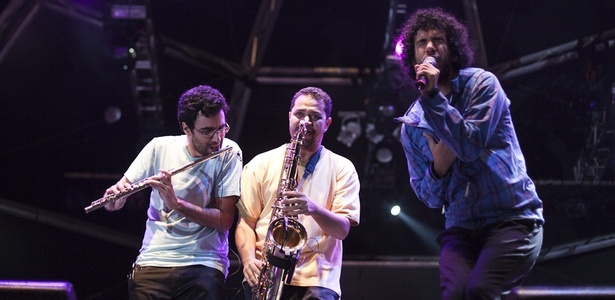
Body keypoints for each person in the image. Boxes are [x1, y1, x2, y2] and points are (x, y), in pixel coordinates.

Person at [394, 7, 544, 300]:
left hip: (512, 219)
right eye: (421, 42)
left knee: (480, 291)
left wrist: (434, 98)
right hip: (462, 228)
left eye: (438, 39)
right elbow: (428, 196)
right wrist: (438, 169)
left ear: (452, 48)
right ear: (412, 57)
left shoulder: (482, 85)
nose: (429, 47)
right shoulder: (412, 124)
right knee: (455, 294)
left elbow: (470, 145)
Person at [103, 84, 243, 300]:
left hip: (204, 262)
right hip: (154, 260)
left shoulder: (229, 152)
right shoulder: (159, 147)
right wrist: (115, 200)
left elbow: (225, 220)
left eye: (222, 128)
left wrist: (176, 203)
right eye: (207, 131)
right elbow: (119, 195)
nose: (217, 138)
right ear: (186, 128)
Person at [235, 87, 361, 300]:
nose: (305, 122)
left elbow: (342, 230)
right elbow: (246, 223)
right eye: (300, 114)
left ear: (327, 124)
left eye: (315, 116)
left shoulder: (342, 167)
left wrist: (312, 208)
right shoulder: (260, 164)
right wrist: (248, 260)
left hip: (318, 280)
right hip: (266, 275)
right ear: (289, 116)